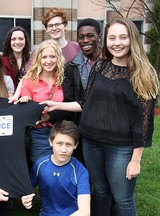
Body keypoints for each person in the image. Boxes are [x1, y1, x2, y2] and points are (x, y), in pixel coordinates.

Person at [41, 18, 159, 216]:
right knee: (101, 191)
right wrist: (56, 105)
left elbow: (144, 123)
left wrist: (136, 160)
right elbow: (86, 102)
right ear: (106, 41)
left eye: (123, 37)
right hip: (91, 142)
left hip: (121, 147)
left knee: (123, 199)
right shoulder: (100, 67)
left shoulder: (143, 74)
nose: (117, 43)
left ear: (132, 39)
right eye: (112, 38)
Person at [48, 18, 102, 165]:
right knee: (88, 174)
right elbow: (68, 101)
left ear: (99, 36)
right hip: (83, 129)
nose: (85, 40)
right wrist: (50, 116)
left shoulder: (111, 64)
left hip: (108, 130)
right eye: (81, 37)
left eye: (90, 35)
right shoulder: (71, 68)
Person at [21, 120, 90, 216]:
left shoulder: (80, 171)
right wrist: (26, 199)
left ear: (75, 145)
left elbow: (85, 211)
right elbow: (27, 191)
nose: (63, 149)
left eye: (68, 144)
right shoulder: (40, 165)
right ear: (50, 142)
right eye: (59, 143)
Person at [18, 40, 64, 163]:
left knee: (61, 168)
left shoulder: (64, 78)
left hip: (62, 131)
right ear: (39, 59)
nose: (48, 61)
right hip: (40, 132)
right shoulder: (29, 80)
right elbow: (26, 108)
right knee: (42, 168)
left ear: (58, 58)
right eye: (44, 57)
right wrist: (25, 99)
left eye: (52, 56)